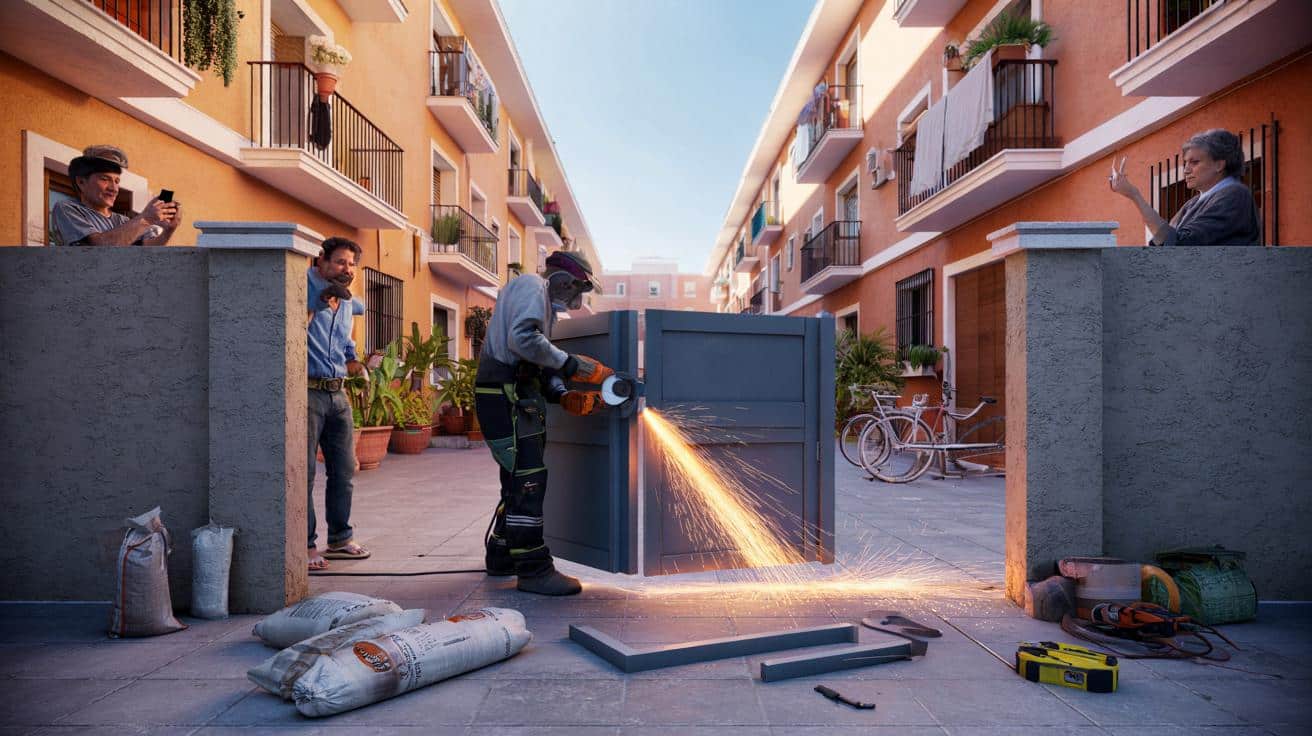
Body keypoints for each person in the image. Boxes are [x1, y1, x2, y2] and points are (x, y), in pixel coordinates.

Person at [476, 250, 613, 595]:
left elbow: (533, 362)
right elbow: (522, 341)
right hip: (505, 394)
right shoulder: (532, 286)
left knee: (517, 478)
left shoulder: (540, 300)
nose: (578, 299)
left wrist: (560, 393)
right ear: (566, 279)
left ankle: (502, 553)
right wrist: (569, 364)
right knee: (528, 481)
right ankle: (534, 569)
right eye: (578, 288)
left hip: (516, 393)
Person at [307, 237, 371, 571]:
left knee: (344, 470)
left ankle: (340, 539)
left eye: (351, 264)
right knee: (302, 473)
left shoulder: (348, 301)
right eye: (340, 262)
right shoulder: (304, 285)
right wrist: (321, 299)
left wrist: (355, 362)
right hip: (307, 391)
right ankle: (305, 546)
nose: (346, 269)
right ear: (322, 260)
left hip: (338, 393)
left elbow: (345, 339)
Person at [1108, 129, 1260, 246]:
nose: (1186, 170)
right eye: (1185, 163)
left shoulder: (1235, 195)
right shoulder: (1193, 203)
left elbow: (1179, 243)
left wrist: (1135, 195)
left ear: (1219, 165)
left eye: (1194, 162)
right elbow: (1163, 242)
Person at [51, 145, 180, 247]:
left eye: (117, 181)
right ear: (81, 182)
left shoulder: (123, 221)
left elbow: (147, 250)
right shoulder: (68, 209)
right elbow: (99, 248)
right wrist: (145, 218)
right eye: (105, 179)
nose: (114, 189)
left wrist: (168, 229)